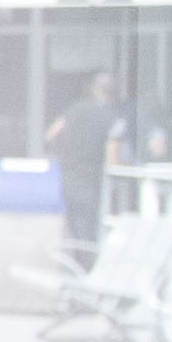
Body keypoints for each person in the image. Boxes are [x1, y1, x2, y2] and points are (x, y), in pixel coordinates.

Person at [48, 69, 119, 257]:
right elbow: (113, 159)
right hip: (90, 182)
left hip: (68, 179)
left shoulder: (75, 109)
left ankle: (77, 264)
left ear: (94, 89)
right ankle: (87, 267)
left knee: (75, 228)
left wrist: (62, 153)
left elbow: (51, 134)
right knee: (89, 231)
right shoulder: (110, 117)